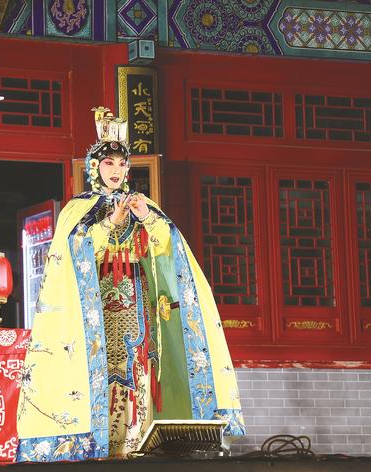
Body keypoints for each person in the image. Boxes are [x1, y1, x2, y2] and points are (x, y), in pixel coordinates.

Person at [16, 108, 245, 461]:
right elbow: (74, 252)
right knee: (104, 372)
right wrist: (110, 222)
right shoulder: (79, 209)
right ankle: (102, 450)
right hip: (98, 310)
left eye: (122, 164)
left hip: (139, 306)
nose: (116, 171)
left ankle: (138, 448)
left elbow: (168, 246)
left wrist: (147, 218)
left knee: (140, 372)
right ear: (94, 167)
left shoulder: (143, 205)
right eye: (109, 163)